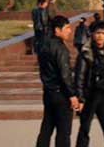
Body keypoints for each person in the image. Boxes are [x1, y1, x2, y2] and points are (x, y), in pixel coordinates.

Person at [36, 15, 81, 147]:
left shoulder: (43, 46)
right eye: (66, 28)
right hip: (61, 95)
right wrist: (72, 95)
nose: (69, 31)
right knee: (63, 132)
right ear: (57, 30)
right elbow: (65, 74)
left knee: (46, 129)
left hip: (48, 93)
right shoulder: (61, 49)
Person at [75, 20, 104, 147]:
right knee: (84, 128)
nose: (100, 36)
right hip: (89, 95)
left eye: (103, 33)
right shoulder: (86, 52)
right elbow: (79, 77)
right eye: (97, 33)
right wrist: (80, 98)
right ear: (93, 34)